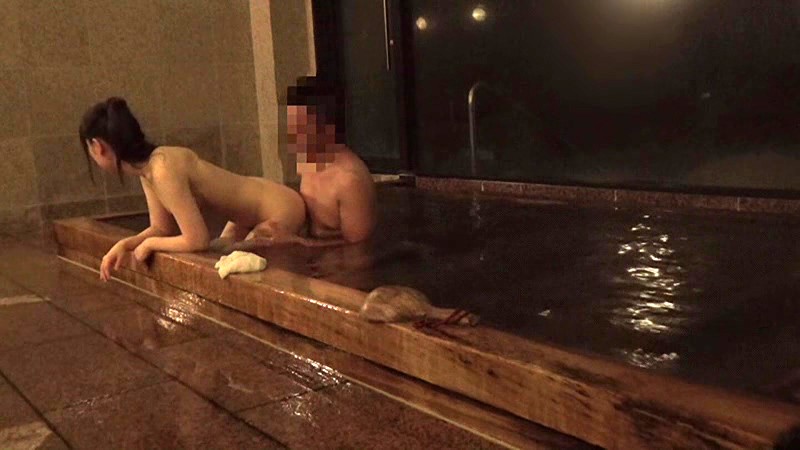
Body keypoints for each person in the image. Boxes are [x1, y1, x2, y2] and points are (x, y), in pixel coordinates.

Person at [80, 97, 307, 281]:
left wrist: (149, 244)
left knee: (243, 261)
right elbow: (161, 228)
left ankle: (308, 244)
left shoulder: (163, 169)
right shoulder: (150, 170)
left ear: (97, 146)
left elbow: (197, 240)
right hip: (250, 213)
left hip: (279, 208)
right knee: (223, 250)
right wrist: (125, 245)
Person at [288, 76, 377, 245]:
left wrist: (300, 244)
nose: (292, 132)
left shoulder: (349, 181)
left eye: (299, 123)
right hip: (314, 255)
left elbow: (359, 250)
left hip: (340, 261)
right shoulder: (306, 165)